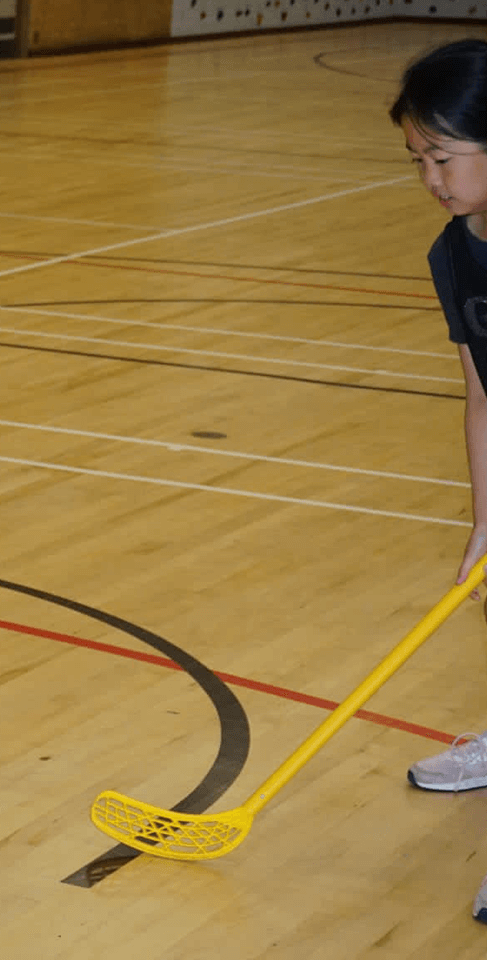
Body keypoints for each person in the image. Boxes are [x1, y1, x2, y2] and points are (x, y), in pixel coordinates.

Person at [391, 37, 487, 923]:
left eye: (445, 157)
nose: (431, 177)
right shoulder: (456, 254)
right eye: (420, 158)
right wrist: (485, 517)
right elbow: (481, 395)